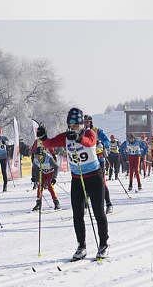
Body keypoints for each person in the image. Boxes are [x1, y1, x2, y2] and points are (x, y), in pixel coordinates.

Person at [36, 107, 109, 261]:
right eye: (71, 125)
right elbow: (50, 144)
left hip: (94, 177)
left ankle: (103, 245)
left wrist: (78, 138)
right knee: (77, 215)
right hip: (77, 178)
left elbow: (89, 143)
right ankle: (81, 246)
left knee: (98, 212)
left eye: (76, 125)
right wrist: (43, 138)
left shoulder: (89, 133)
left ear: (82, 124)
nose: (73, 128)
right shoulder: (66, 136)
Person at [30, 140, 60, 211]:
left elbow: (56, 167)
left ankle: (56, 203)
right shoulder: (36, 159)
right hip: (43, 172)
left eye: (38, 156)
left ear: (42, 154)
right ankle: (38, 203)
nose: (37, 157)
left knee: (50, 187)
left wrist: (54, 178)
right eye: (36, 156)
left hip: (51, 172)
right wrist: (34, 177)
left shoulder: (49, 158)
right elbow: (34, 168)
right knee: (40, 187)